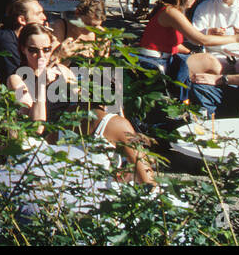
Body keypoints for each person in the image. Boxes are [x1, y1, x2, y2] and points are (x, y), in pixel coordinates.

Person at [9, 25, 155, 185]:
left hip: (78, 125)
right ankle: (149, 184)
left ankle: (136, 171)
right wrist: (42, 83)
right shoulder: (18, 79)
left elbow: (81, 99)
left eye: (46, 49)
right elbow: (36, 128)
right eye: (33, 50)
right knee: (120, 126)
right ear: (23, 49)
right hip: (54, 134)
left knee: (110, 94)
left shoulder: (62, 70)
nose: (41, 56)